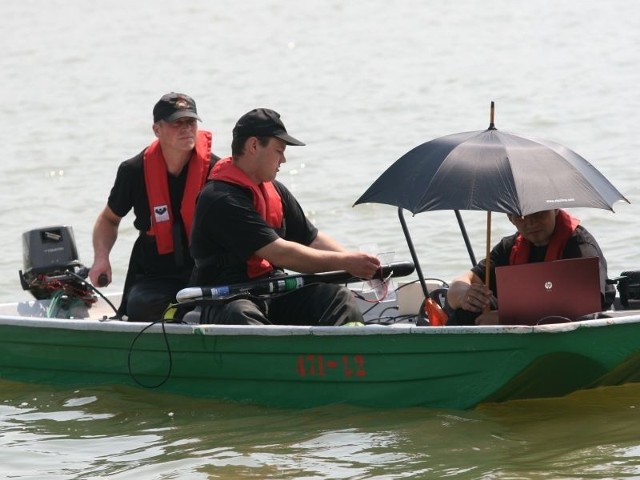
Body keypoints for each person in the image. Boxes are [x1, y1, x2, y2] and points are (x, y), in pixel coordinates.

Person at [189, 107, 381, 326]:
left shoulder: (276, 191)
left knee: (337, 298)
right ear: (253, 146)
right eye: (279, 150)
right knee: (240, 314)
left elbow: (312, 239)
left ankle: (344, 357)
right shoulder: (220, 198)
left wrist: (365, 264)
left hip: (271, 292)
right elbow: (280, 253)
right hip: (224, 299)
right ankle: (277, 359)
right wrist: (346, 263)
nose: (284, 160)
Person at [89, 92, 217, 321]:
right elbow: (109, 219)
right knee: (141, 307)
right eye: (177, 123)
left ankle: (191, 316)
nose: (186, 128)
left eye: (191, 122)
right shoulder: (133, 171)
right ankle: (183, 316)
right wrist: (101, 258)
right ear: (157, 130)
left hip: (205, 271)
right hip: (156, 275)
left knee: (225, 306)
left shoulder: (216, 170)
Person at [446, 209, 616, 325]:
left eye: (538, 213)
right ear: (510, 218)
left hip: (571, 332)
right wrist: (464, 296)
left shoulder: (580, 246)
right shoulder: (509, 247)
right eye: (520, 215)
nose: (530, 222)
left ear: (555, 209)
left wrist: (507, 319)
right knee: (466, 312)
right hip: (521, 336)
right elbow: (460, 283)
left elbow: (586, 307)